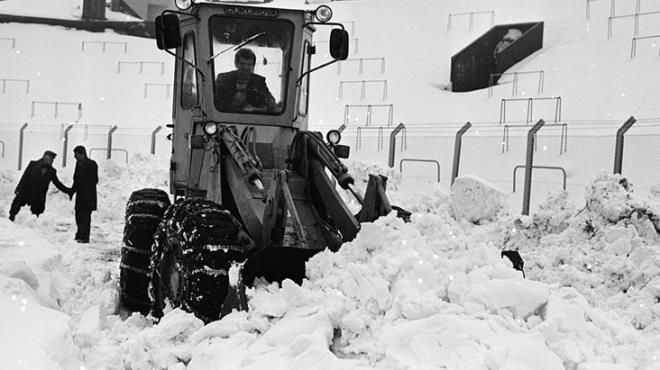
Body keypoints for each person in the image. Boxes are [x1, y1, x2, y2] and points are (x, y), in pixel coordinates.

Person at [9, 150, 71, 221]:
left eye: (52, 160)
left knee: (37, 212)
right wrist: (18, 188)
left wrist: (68, 191)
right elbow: (24, 177)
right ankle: (11, 219)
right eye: (50, 159)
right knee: (16, 205)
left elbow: (57, 183)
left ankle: (34, 226)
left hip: (39, 195)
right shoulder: (33, 164)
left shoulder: (52, 171)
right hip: (26, 191)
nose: (51, 161)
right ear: (45, 157)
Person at [214, 48, 277, 113]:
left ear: (253, 66)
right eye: (242, 64)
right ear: (236, 64)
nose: (246, 68)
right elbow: (214, 101)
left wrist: (268, 103)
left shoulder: (259, 82)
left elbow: (269, 100)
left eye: (249, 64)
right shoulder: (223, 79)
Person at [70, 145, 98, 243]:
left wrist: (81, 186)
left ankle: (85, 236)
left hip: (88, 196)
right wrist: (72, 191)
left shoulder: (92, 164)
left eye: (76, 154)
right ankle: (79, 234)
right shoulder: (78, 164)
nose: (75, 156)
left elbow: (94, 180)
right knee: (78, 215)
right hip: (80, 196)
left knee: (85, 216)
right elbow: (76, 179)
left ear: (82, 154)